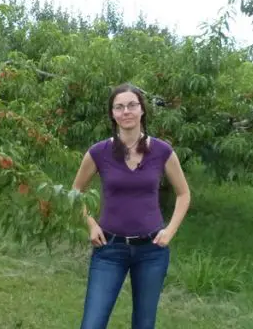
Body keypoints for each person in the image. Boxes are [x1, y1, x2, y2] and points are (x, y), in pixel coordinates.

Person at [72, 83, 191, 329]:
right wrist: (90, 224)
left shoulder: (162, 151)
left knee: (144, 324)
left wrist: (170, 231)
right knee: (92, 324)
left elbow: (183, 194)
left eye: (132, 105)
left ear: (142, 110)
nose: (126, 111)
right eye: (119, 107)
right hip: (109, 249)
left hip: (151, 250)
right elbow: (76, 193)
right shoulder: (99, 152)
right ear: (113, 114)